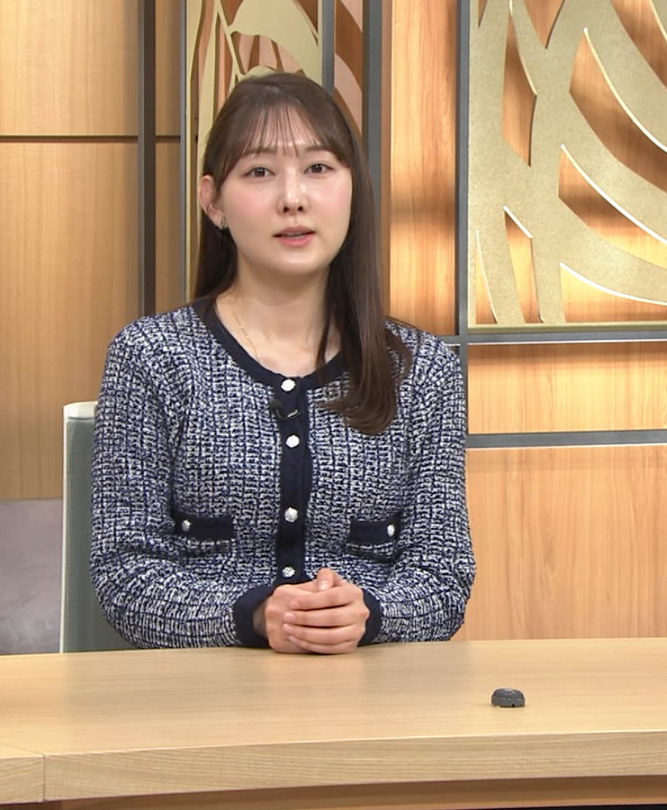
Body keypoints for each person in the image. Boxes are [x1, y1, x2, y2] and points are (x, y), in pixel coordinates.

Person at [90, 71, 473, 654]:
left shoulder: (421, 368)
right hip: (205, 690)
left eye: (318, 168)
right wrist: (256, 617)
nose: (293, 198)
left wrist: (369, 614)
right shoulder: (152, 356)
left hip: (373, 689)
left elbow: (442, 576)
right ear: (213, 202)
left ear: (353, 189)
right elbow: (125, 573)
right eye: (260, 172)